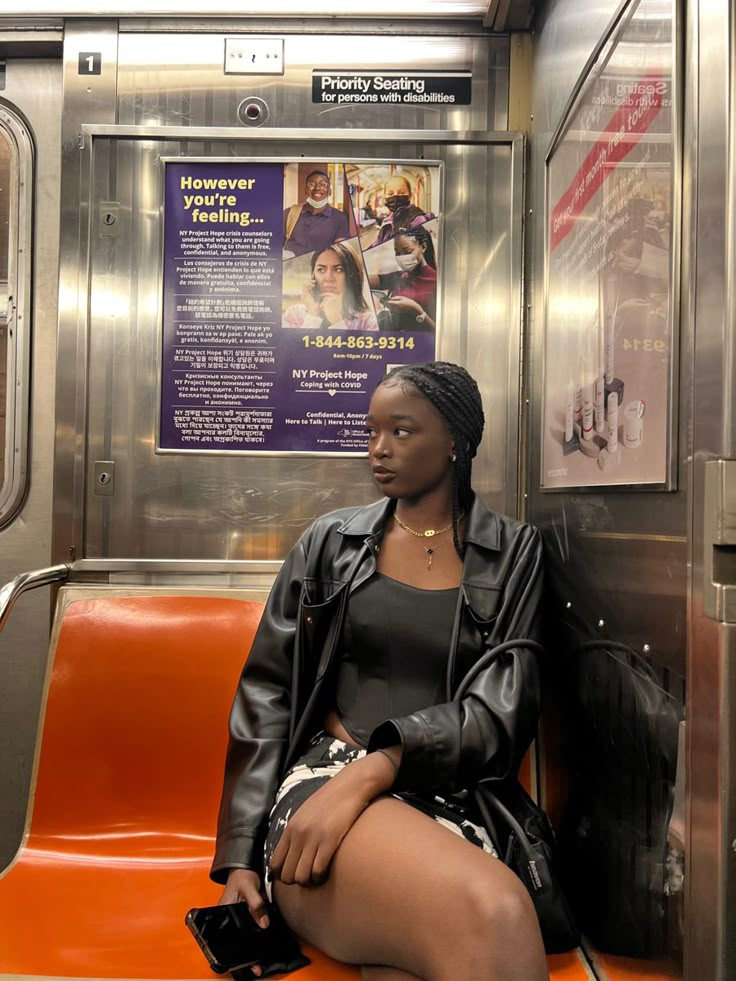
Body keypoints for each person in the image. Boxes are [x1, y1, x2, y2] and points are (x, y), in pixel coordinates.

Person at [212, 362, 549, 981]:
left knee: (416, 966)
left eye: (400, 431)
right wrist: (238, 857)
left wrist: (380, 768)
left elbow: (503, 711)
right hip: (322, 788)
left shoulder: (513, 551)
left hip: (451, 796)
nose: (378, 450)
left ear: (455, 442)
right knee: (496, 913)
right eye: (372, 432)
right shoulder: (329, 542)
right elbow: (268, 694)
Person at [282, 243, 378, 331]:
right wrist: (312, 315)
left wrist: (337, 321)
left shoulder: (368, 321)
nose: (328, 278)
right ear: (313, 275)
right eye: (321, 270)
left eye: (338, 269)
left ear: (351, 275)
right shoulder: (294, 314)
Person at [369, 225, 437, 331]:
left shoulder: (436, 282)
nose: (402, 257)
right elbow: (366, 280)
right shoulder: (400, 277)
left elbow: (443, 333)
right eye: (397, 253)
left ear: (423, 247)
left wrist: (417, 310)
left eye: (407, 251)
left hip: (423, 344)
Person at [284, 170, 350, 257]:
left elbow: (341, 252)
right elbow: (274, 244)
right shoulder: (289, 213)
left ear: (329, 192)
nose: (317, 188)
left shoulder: (339, 218)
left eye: (323, 185)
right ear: (305, 190)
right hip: (291, 267)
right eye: (311, 184)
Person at [375, 174, 435, 245]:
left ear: (410, 196)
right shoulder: (387, 221)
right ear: (385, 198)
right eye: (390, 194)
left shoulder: (417, 219)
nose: (396, 196)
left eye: (401, 193)